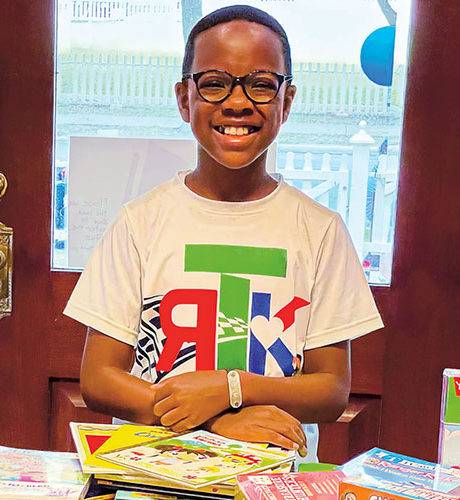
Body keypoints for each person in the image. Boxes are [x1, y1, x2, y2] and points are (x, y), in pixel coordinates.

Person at [63, 5, 383, 458]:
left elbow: (331, 391)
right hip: (156, 470)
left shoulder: (320, 231)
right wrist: (219, 420)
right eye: (214, 83)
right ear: (183, 98)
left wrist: (229, 387)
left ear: (286, 101)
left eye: (261, 85)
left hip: (271, 474)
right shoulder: (141, 222)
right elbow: (98, 380)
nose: (237, 102)